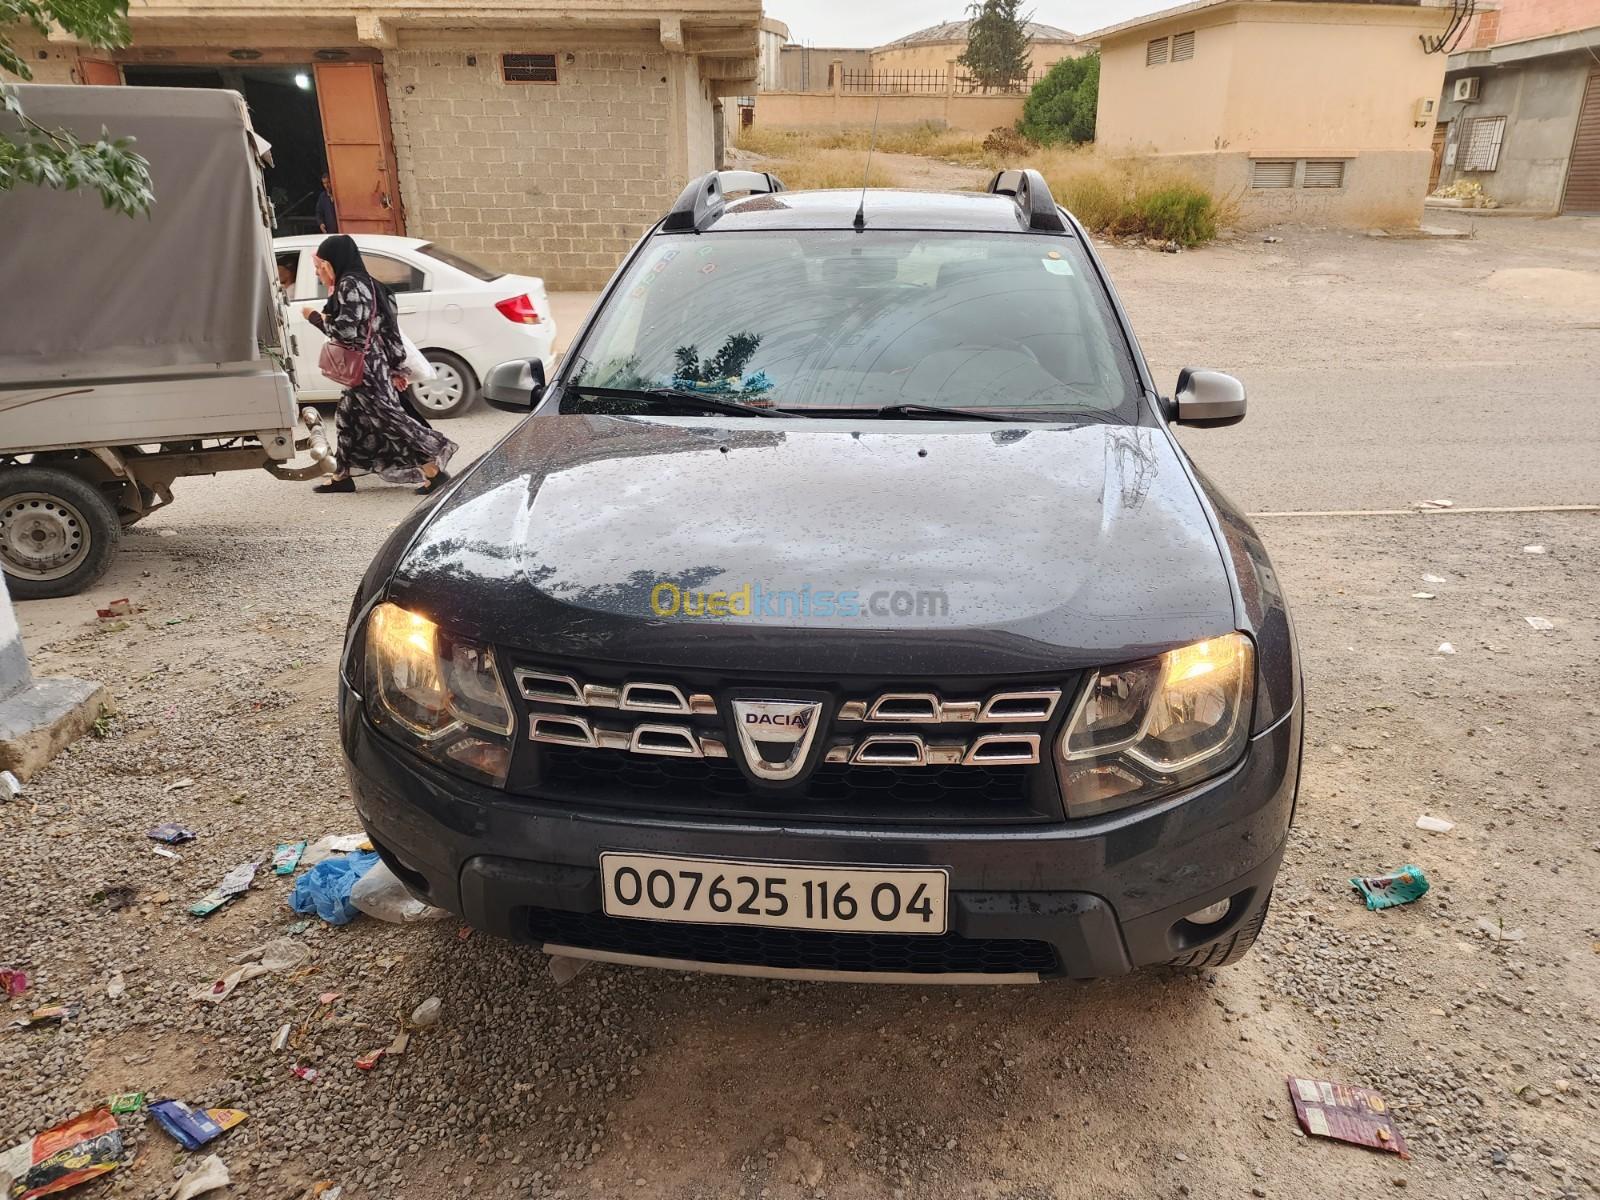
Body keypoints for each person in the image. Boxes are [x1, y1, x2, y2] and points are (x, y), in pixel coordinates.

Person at [301, 235, 456, 495]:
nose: (318, 272)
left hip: (366, 369)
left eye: (321, 266)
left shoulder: (351, 285)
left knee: (390, 421)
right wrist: (395, 368)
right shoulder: (366, 284)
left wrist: (315, 318)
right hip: (371, 366)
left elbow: (347, 332)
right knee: (347, 418)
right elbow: (388, 330)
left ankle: (434, 469)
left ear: (332, 262)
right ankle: (342, 476)